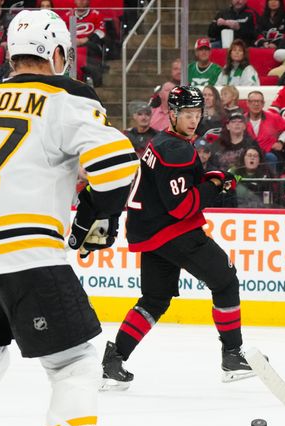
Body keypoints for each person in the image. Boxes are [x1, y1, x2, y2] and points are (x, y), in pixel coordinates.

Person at [0, 9, 139, 426]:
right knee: (76, 363)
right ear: (60, 53)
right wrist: (98, 214)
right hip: (28, 254)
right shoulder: (67, 99)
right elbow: (116, 160)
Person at [101, 85, 254, 390]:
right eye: (186, 113)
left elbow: (179, 188)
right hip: (173, 231)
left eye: (197, 113)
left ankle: (114, 359)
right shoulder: (176, 149)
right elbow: (182, 207)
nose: (193, 119)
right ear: (171, 114)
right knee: (225, 280)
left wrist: (211, 179)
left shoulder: (166, 142)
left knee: (155, 299)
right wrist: (213, 185)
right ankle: (232, 356)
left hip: (150, 231)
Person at [209, 109, 259, 173]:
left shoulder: (252, 144)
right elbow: (211, 164)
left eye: (240, 122)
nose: (237, 124)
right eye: (233, 122)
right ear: (227, 126)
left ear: (244, 126)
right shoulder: (218, 144)